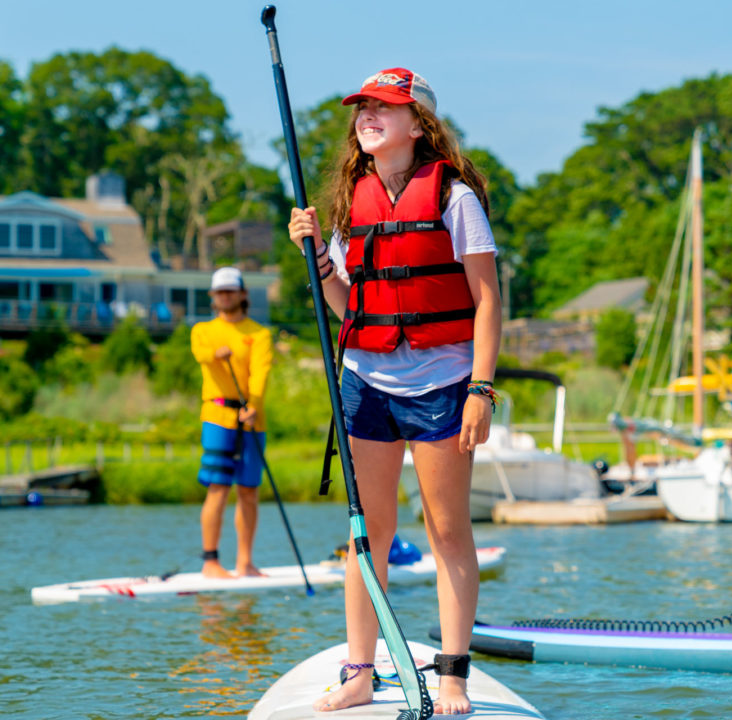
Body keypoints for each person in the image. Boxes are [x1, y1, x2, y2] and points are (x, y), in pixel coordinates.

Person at [288, 67, 501, 715]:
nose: (369, 116)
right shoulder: (354, 203)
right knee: (366, 534)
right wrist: (319, 260)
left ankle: (454, 676)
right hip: (368, 385)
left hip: (443, 384)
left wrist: (482, 388)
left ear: (419, 123)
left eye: (386, 107)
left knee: (446, 532)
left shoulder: (453, 198)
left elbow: (489, 299)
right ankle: (360, 672)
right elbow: (346, 304)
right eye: (363, 108)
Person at [190, 266, 273, 579]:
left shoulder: (259, 334)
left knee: (249, 490)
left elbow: (261, 372)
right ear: (213, 297)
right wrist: (215, 353)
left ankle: (245, 562)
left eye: (230, 291)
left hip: (252, 418)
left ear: (242, 294)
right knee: (218, 487)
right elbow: (200, 353)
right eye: (219, 292)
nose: (225, 296)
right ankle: (211, 561)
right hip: (218, 417)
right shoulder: (202, 330)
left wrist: (254, 405)